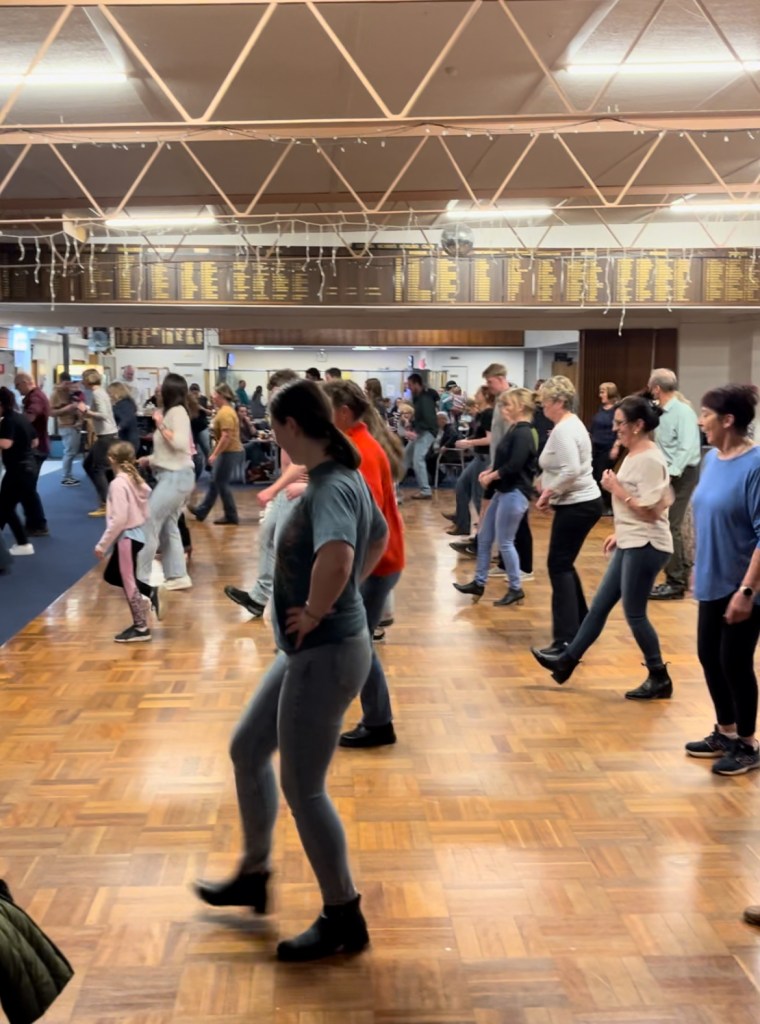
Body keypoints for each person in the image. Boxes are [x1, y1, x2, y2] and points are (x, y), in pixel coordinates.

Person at [194, 379, 388, 963]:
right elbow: (377, 535)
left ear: (292, 427)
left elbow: (344, 553)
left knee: (304, 789)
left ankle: (343, 915)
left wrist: (324, 606)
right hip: (312, 649)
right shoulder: (339, 475)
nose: (268, 434)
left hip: (325, 652)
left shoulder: (331, 483)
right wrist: (337, 599)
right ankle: (254, 874)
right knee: (247, 747)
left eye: (272, 426)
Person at [532, 393, 674, 699]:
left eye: (620, 423)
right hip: (633, 540)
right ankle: (565, 663)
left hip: (648, 544)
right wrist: (621, 533)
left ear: (638, 425)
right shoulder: (635, 453)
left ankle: (659, 675)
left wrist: (616, 490)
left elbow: (653, 508)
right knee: (599, 606)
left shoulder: (649, 457)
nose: (615, 429)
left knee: (634, 614)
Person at [324, 380, 405, 749]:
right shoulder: (352, 446)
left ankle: (378, 722)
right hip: (375, 564)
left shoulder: (362, 452)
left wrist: (348, 575)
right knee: (353, 643)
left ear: (342, 413)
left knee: (355, 644)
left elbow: (367, 522)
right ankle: (375, 719)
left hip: (376, 566)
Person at [684, 385, 760, 776]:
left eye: (706, 414)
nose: (700, 421)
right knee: (709, 657)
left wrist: (747, 592)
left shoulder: (757, 465)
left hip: (743, 585)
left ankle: (748, 744)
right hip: (712, 577)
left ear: (728, 420)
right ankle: (725, 732)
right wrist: (698, 562)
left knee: (734, 662)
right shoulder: (712, 459)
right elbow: (705, 514)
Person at [223, 369, 303, 619]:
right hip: (286, 485)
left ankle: (296, 604)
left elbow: (308, 460)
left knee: (286, 545)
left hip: (300, 487)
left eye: (277, 391)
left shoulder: (304, 416)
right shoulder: (285, 416)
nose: (272, 396)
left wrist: (274, 488)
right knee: (267, 534)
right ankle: (259, 597)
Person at [534, 375, 603, 655]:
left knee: (558, 565)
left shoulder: (563, 430)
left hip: (578, 504)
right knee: (564, 563)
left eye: (545, 403)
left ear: (559, 402)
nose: (542, 408)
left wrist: (549, 492)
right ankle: (581, 623)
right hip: (581, 503)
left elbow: (571, 470)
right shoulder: (571, 424)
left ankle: (566, 639)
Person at [453, 388, 537, 607]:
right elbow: (504, 461)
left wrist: (491, 475)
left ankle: (516, 588)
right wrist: (489, 470)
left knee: (506, 542)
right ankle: (479, 582)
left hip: (514, 492)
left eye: (508, 405)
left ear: (521, 407)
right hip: (504, 491)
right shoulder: (514, 430)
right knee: (485, 536)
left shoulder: (523, 433)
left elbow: (514, 465)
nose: (503, 410)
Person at [136, 372, 195, 613]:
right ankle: (178, 576)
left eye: (161, 388)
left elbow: (180, 444)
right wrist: (148, 460)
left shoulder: (176, 413)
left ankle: (141, 579)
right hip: (173, 475)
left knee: (148, 521)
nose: (157, 390)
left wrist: (159, 423)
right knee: (169, 527)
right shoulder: (172, 413)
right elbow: (171, 453)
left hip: (176, 478)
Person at [647, 368, 702, 600]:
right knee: (663, 523)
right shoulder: (659, 411)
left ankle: (676, 582)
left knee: (672, 525)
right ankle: (674, 574)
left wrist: (671, 474)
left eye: (651, 386)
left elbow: (687, 448)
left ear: (657, 388)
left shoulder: (683, 412)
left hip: (683, 472)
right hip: (669, 472)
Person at [94, 442, 152, 643]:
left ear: (111, 460)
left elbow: (118, 519)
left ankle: (141, 627)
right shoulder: (134, 480)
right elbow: (146, 502)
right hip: (137, 535)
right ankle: (142, 621)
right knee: (122, 577)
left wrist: (102, 544)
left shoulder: (118, 484)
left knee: (128, 581)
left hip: (127, 537)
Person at [189, 382, 244, 526]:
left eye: (214, 395)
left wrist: (214, 454)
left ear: (221, 395)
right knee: (215, 481)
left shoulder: (226, 412)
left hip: (230, 451)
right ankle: (202, 511)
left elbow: (226, 437)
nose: (212, 397)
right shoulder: (224, 410)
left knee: (221, 483)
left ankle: (231, 515)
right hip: (228, 451)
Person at [443, 386, 494, 537]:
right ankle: (463, 524)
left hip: (485, 458)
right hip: (479, 457)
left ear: (484, 396)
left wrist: (469, 443)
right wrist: (467, 441)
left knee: (479, 497)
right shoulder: (482, 415)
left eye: (477, 393)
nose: (475, 395)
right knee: (461, 486)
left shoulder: (488, 414)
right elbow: (479, 435)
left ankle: (484, 536)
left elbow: (490, 439)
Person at [0, 386, 38, 557]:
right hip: (28, 467)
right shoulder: (20, 418)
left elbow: (6, 444)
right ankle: (22, 543)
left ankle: (23, 543)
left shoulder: (8, 420)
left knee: (4, 507)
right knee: (6, 508)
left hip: (18, 470)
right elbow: (35, 441)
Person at [14, 372, 49, 537]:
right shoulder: (36, 396)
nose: (16, 388)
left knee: (27, 488)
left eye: (18, 385)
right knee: (27, 488)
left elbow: (30, 416)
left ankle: (38, 524)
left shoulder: (36, 398)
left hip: (35, 449)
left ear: (26, 382)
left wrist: (13, 422)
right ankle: (34, 524)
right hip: (37, 448)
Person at [79, 369, 118, 518]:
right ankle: (107, 499)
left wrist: (87, 412)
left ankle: (106, 503)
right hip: (106, 434)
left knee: (97, 469)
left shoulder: (97, 393)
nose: (82, 382)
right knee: (89, 465)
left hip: (106, 435)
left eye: (83, 378)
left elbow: (103, 414)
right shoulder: (101, 392)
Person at [401, 373, 438, 499]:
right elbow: (421, 417)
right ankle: (393, 484)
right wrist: (411, 425)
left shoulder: (425, 399)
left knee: (417, 459)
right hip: (422, 431)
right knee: (406, 456)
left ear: (417, 384)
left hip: (427, 432)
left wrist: (415, 431)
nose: (409, 387)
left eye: (410, 385)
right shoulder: (419, 397)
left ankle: (426, 490)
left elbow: (428, 420)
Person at [590, 382, 620, 516]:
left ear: (610, 393)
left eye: (603, 392)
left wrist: (616, 446)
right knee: (595, 476)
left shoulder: (617, 410)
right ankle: (601, 505)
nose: (600, 395)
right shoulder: (601, 409)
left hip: (608, 448)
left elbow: (619, 429)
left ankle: (610, 506)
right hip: (596, 447)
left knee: (603, 476)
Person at [50, 372, 83, 486]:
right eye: (66, 384)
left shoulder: (71, 392)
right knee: (69, 452)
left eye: (69, 383)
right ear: (60, 382)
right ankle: (66, 477)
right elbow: (51, 413)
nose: (68, 386)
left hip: (76, 425)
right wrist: (67, 408)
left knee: (72, 452)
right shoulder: (55, 394)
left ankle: (68, 475)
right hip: (66, 425)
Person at [107, 381, 140, 452]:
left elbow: (126, 419)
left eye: (110, 393)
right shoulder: (128, 403)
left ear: (115, 393)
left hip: (127, 441)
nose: (109, 396)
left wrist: (117, 429)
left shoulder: (124, 404)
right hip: (129, 439)